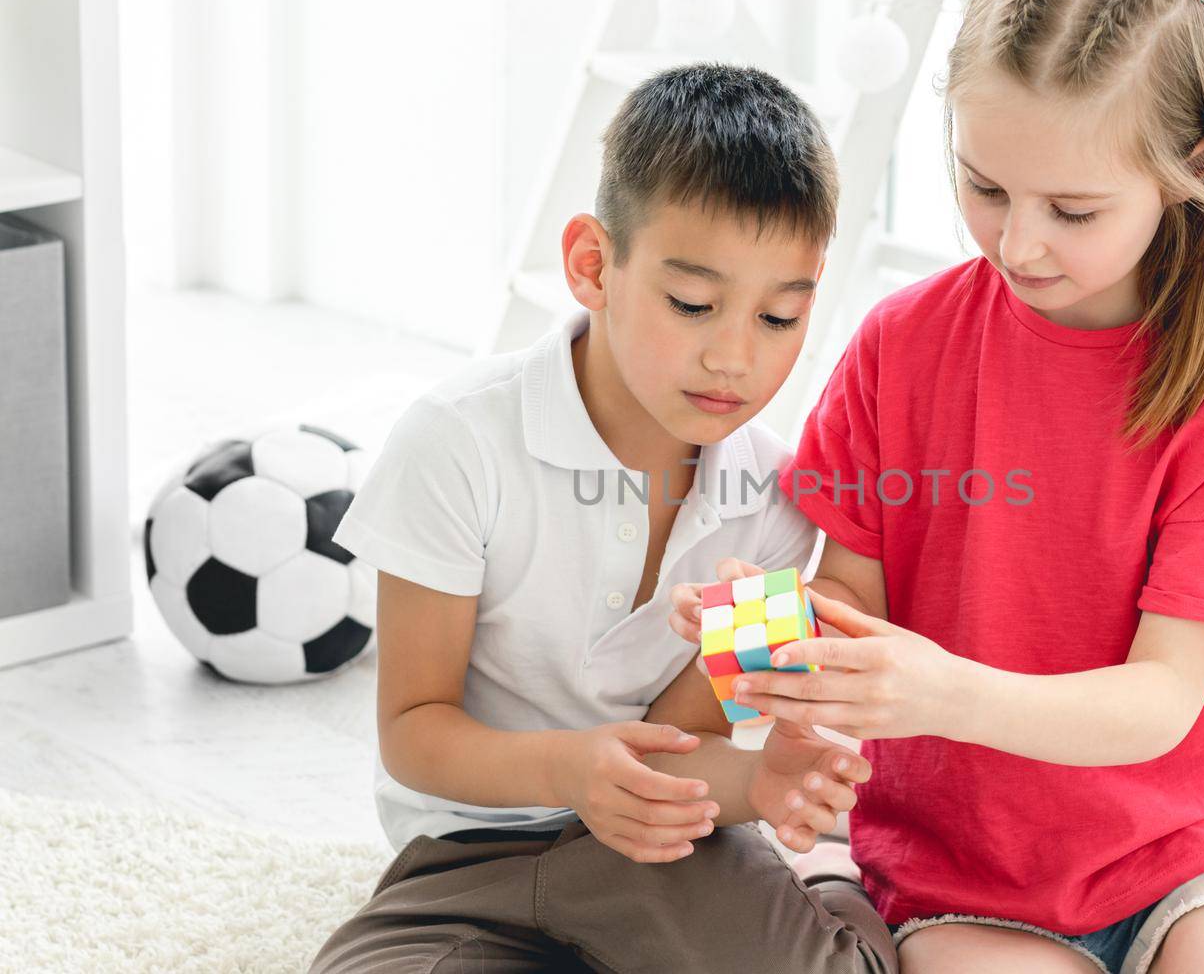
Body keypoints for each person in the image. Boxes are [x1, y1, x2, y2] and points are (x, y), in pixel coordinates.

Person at [669, 0, 1204, 971]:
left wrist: (942, 692)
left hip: (1184, 847)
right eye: (983, 186)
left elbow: (1160, 699)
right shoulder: (901, 345)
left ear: (1188, 166)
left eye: (1072, 210)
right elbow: (853, 605)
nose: (1017, 243)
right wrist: (757, 631)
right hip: (959, 864)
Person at [310, 63, 896, 974]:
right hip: (469, 858)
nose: (734, 356)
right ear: (593, 265)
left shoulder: (782, 503)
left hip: (671, 847)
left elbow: (683, 747)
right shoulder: (455, 440)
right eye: (693, 304)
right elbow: (413, 728)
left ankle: (823, 885)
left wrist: (763, 782)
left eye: (781, 317)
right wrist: (567, 771)